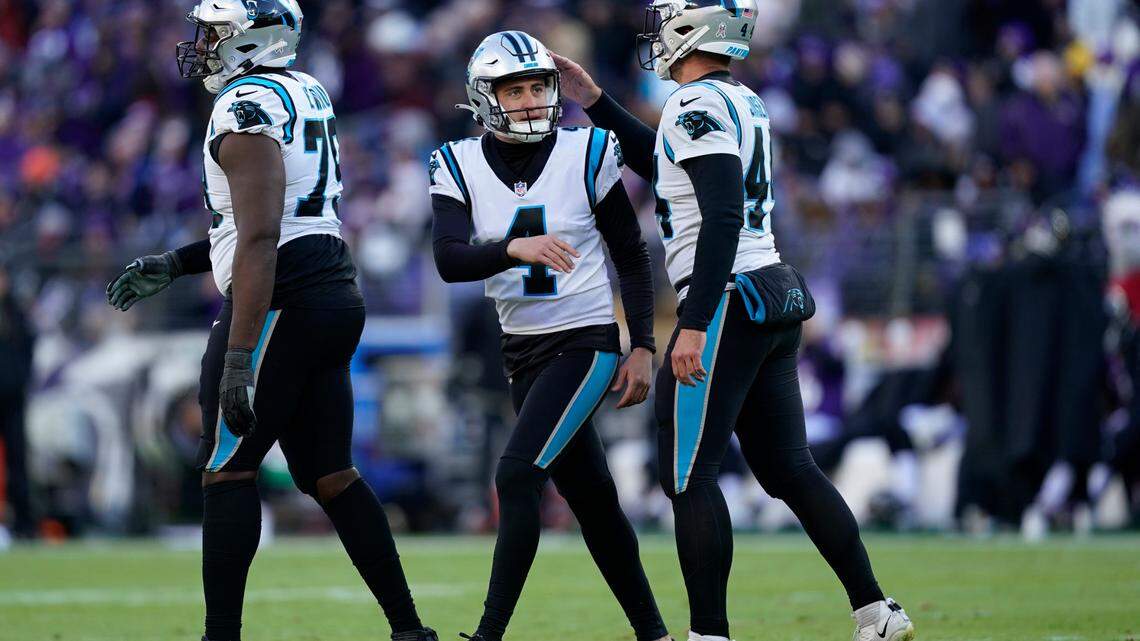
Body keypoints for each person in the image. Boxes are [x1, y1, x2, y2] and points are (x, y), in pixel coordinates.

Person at [552, 2, 915, 640]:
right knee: (787, 468)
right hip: (766, 289)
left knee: (687, 475)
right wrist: (596, 100)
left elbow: (719, 216)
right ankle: (876, 612)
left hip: (725, 298)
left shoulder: (696, 106)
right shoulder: (736, 100)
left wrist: (692, 323)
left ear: (689, 31)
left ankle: (708, 633)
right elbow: (666, 166)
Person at [106, 2, 435, 640]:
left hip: (284, 297)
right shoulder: (304, 89)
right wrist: (177, 262)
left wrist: (238, 353)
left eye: (214, 31)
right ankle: (409, 629)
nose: (201, 43)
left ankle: (220, 636)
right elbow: (267, 226)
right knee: (330, 474)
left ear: (251, 36)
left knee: (227, 468)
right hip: (332, 288)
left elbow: (260, 238)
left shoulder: (243, 107)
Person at [430, 31, 670, 641]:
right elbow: (450, 259)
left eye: (540, 85)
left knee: (516, 475)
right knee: (592, 501)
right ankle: (655, 633)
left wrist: (640, 344)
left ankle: (488, 635)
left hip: (585, 339)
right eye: (516, 89)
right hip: (523, 351)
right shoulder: (454, 162)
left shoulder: (588, 151)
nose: (534, 99)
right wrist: (513, 247)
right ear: (486, 97)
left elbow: (631, 257)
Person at [0, 262, 36, 539]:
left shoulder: (15, 313)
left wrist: (21, 378)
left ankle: (24, 524)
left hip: (13, 398)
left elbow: (29, 343)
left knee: (18, 463)